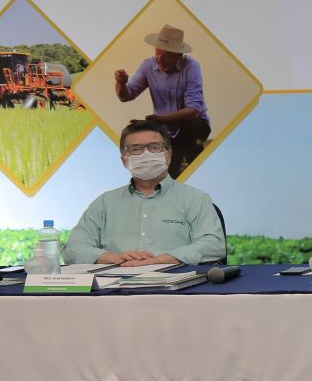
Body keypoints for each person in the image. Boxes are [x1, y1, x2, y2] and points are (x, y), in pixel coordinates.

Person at [62, 120, 225, 266]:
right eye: (136, 149)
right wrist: (113, 257)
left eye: (154, 147)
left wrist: (160, 260)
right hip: (114, 284)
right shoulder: (104, 203)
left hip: (176, 282)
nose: (146, 154)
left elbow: (214, 245)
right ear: (124, 160)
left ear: (169, 155)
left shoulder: (196, 199)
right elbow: (72, 249)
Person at [113, 24, 210, 178]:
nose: (159, 59)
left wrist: (161, 120)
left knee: (188, 131)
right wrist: (121, 83)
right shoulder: (147, 66)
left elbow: (193, 111)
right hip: (165, 129)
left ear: (179, 55)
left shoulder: (191, 66)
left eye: (166, 55)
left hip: (194, 126)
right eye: (158, 52)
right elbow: (126, 96)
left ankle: (194, 169)